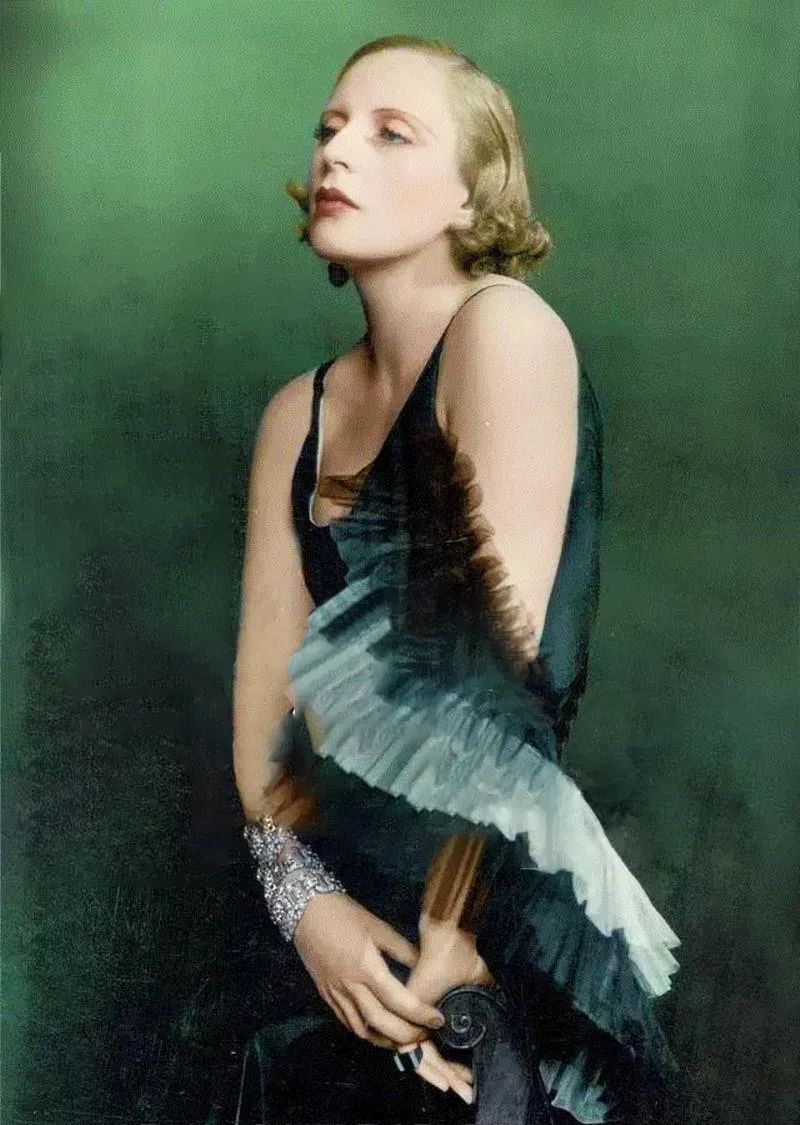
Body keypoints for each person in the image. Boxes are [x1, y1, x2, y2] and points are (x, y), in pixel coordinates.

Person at [232, 34, 684, 1124]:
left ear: (469, 193)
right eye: (330, 128)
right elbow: (260, 723)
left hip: (482, 905)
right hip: (337, 907)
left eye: (392, 133)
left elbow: (498, 696)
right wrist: (306, 908)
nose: (339, 151)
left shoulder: (506, 331)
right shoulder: (297, 413)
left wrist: (446, 940)